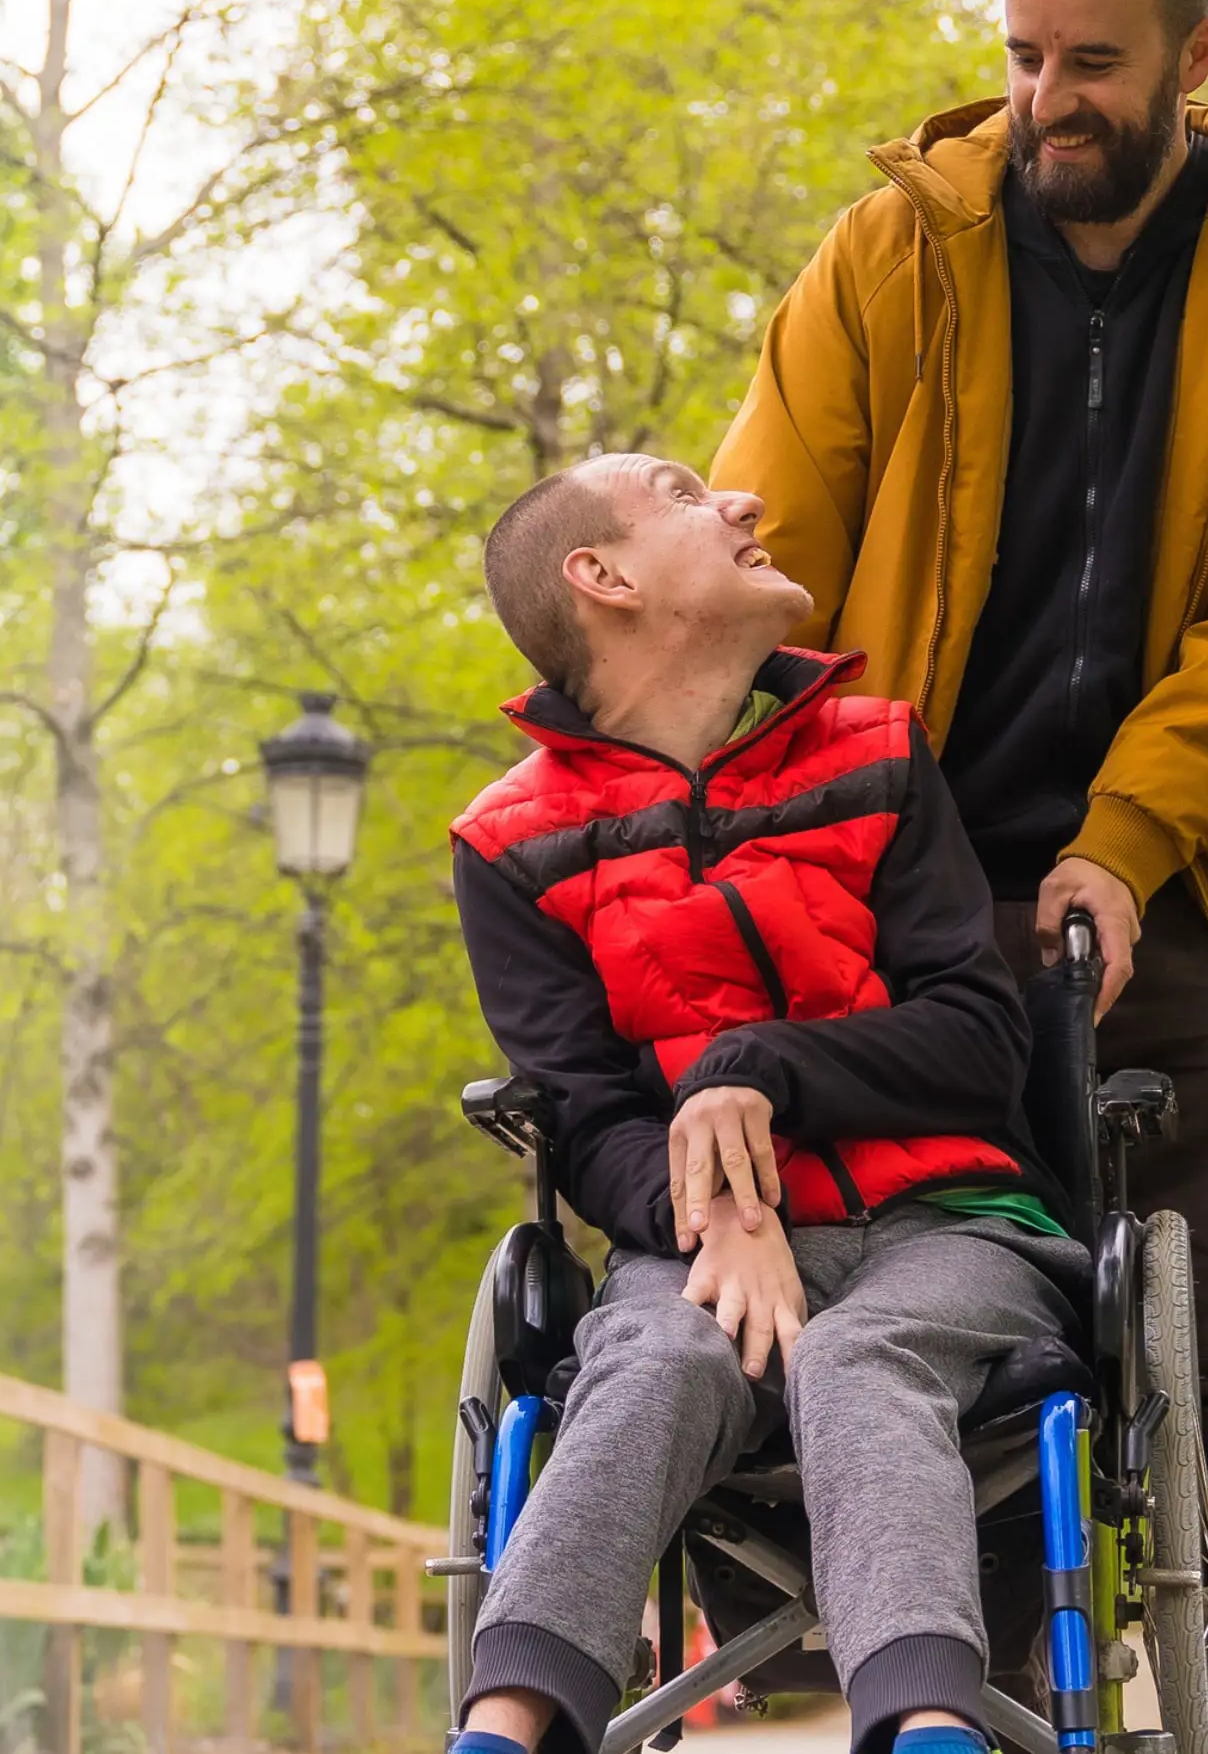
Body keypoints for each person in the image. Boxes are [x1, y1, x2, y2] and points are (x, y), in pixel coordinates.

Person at [710, 0, 1208, 1754]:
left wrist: (1126, 833)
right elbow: (757, 595)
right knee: (962, 1394)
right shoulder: (886, 263)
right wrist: (816, 864)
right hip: (913, 923)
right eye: (1023, 60)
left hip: (1186, 895)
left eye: (1092, 64)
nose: (1048, 103)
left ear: (1195, 56)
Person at [446, 452, 1080, 1754]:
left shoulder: (877, 754)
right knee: (651, 1355)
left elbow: (976, 1037)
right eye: (686, 493)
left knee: (866, 1351)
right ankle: (501, 1730)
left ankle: (925, 1729)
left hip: (949, 1222)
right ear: (602, 577)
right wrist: (715, 1209)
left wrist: (758, 1071)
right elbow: (584, 1118)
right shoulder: (509, 843)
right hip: (696, 1264)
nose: (741, 504)